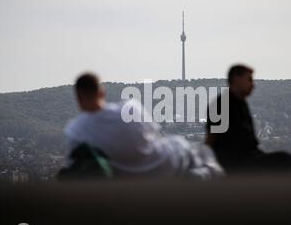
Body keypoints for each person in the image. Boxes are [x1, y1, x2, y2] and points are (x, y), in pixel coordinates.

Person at [63, 72, 223, 179]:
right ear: (102, 92)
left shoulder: (75, 131)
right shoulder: (129, 109)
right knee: (204, 154)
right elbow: (154, 135)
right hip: (165, 163)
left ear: (78, 97)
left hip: (126, 176)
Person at [206, 64, 291, 175]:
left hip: (253, 159)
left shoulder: (241, 104)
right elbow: (211, 141)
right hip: (240, 166)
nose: (253, 85)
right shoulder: (222, 105)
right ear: (236, 79)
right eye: (249, 79)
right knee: (283, 159)